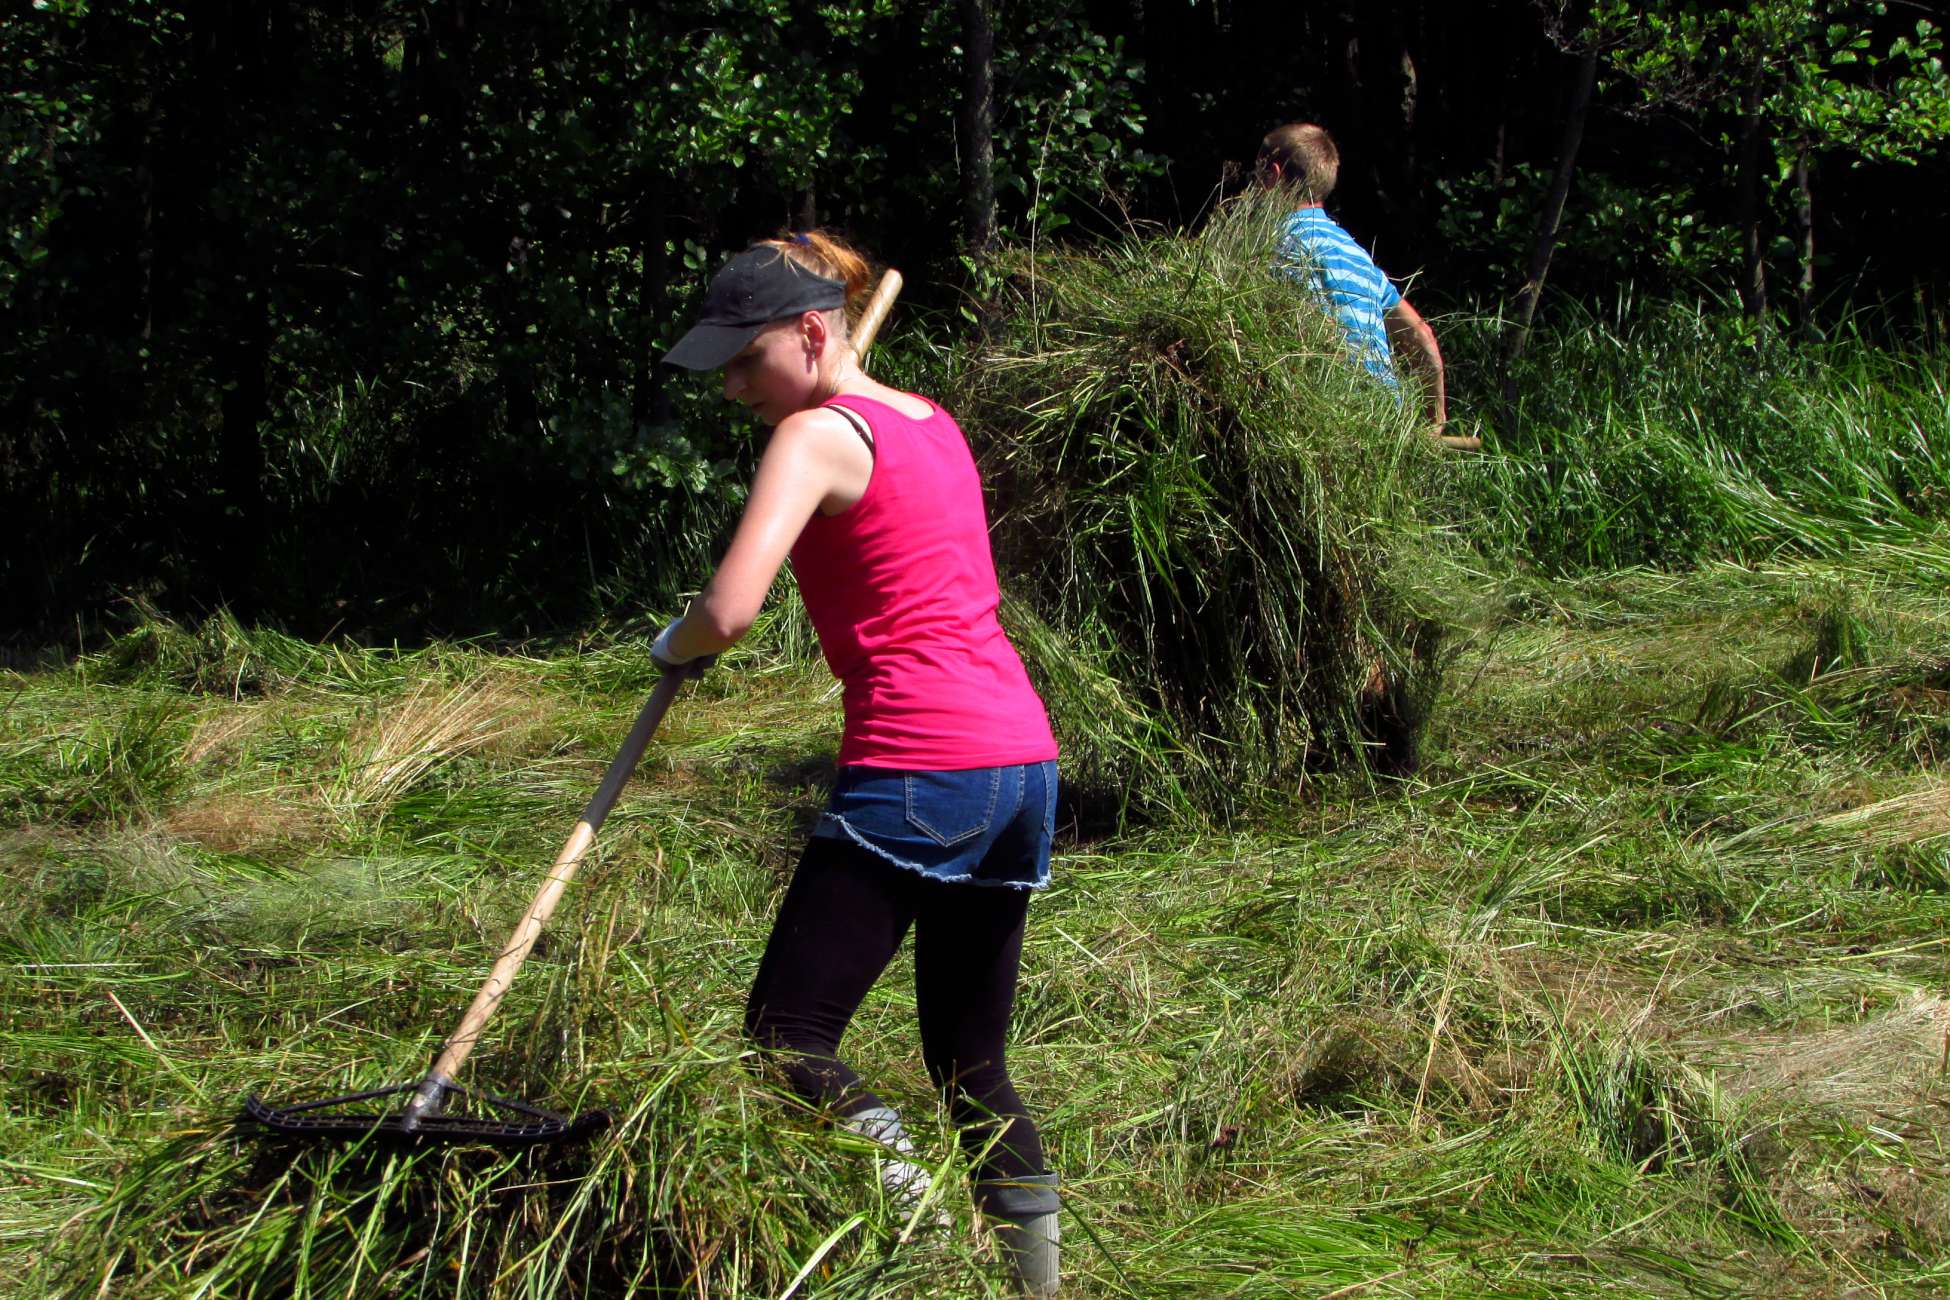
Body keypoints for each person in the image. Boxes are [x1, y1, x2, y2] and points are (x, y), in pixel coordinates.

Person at [655, 231, 1063, 1297]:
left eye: (746, 359)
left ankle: (917, 1224)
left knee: (783, 1033)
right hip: (1021, 762)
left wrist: (674, 646)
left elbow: (730, 610)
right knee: (972, 1068)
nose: (735, 385)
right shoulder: (931, 422)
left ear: (809, 331)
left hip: (922, 761)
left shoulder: (810, 438)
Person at [1257, 122, 1448, 434]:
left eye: (1256, 174)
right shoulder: (1357, 255)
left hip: (1327, 419)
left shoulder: (1275, 244)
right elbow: (1422, 336)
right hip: (1387, 420)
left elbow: (1298, 332)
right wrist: (1435, 424)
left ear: (1272, 175)